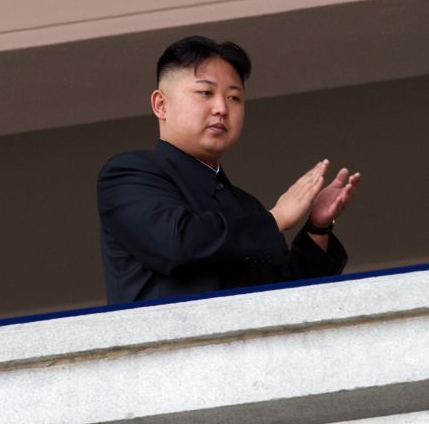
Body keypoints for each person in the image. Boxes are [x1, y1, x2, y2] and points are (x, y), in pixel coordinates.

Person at [97, 36, 361, 303]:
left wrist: (318, 227)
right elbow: (177, 244)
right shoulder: (128, 175)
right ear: (161, 105)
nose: (222, 108)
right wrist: (276, 219)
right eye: (205, 93)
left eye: (234, 97)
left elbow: (288, 298)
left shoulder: (249, 208)